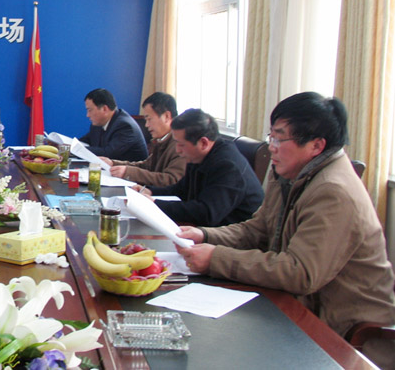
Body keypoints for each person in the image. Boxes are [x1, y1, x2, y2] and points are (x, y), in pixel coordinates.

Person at [176, 93, 395, 366]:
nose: (272, 148)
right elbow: (258, 230)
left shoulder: (334, 191)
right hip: (295, 306)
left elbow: (300, 272)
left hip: (346, 334)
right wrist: (205, 235)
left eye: (279, 139)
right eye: (271, 136)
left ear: (316, 145)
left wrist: (215, 258)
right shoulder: (290, 173)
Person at [137, 108, 263, 226]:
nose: (177, 150)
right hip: (207, 228)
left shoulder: (227, 166)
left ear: (203, 143)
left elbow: (206, 213)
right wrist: (150, 191)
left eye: (181, 144)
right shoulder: (198, 156)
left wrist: (155, 204)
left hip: (234, 235)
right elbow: (182, 189)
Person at [100, 92, 185, 187]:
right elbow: (146, 166)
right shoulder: (161, 140)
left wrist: (129, 172)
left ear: (166, 116)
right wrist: (113, 163)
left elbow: (172, 180)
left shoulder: (181, 144)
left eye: (149, 119)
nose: (146, 125)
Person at [79, 88, 148, 161]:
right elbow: (84, 141)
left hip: (130, 168)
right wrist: (71, 146)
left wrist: (79, 150)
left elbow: (108, 153)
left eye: (90, 110)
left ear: (104, 109)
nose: (87, 115)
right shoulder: (98, 124)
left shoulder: (125, 126)